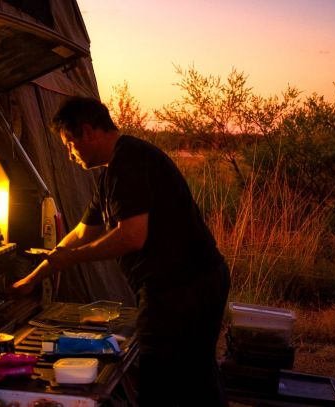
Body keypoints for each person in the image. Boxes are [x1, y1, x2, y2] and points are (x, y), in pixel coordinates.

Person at [12, 96, 230, 406]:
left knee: (164, 382)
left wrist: (73, 258)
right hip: (186, 284)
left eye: (70, 144)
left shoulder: (129, 162)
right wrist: (32, 279)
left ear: (88, 131)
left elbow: (131, 237)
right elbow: (81, 234)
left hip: (184, 288)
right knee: (195, 376)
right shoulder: (110, 175)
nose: (70, 154)